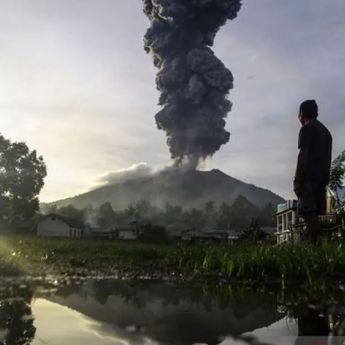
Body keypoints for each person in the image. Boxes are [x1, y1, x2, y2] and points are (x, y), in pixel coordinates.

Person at [293, 99, 332, 245]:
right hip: (321, 178)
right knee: (314, 214)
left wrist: (298, 180)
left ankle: (316, 249)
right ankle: (317, 248)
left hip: (309, 178)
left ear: (301, 113)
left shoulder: (307, 128)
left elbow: (303, 154)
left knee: (308, 212)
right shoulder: (326, 132)